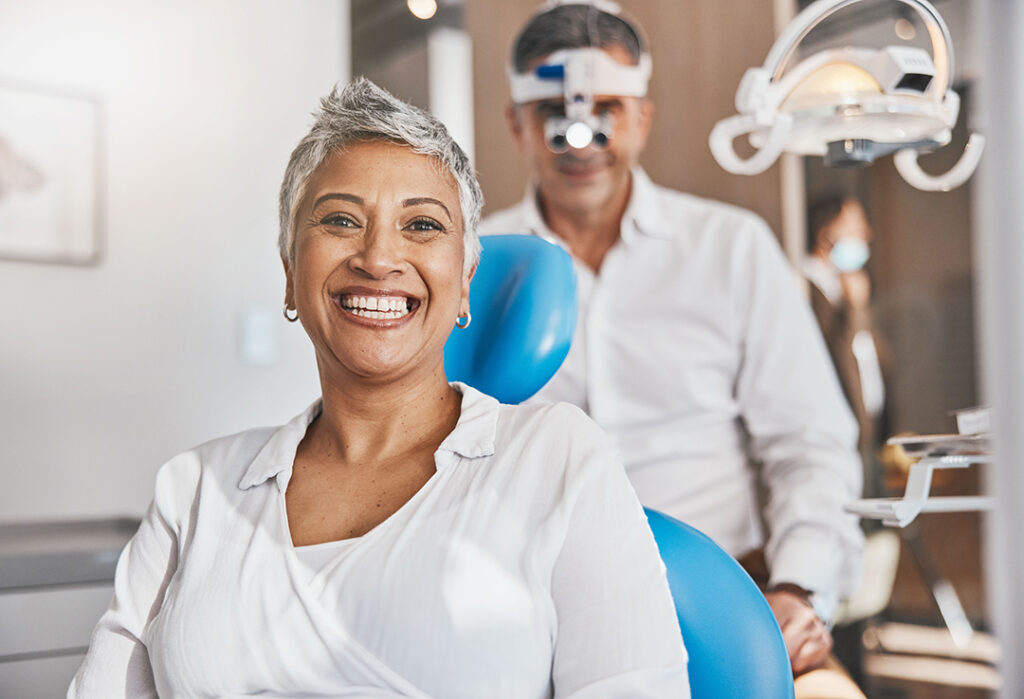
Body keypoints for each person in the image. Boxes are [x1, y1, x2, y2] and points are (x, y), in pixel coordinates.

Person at [68, 78, 689, 698]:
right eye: (341, 219)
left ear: (466, 281)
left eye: (422, 225)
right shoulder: (194, 487)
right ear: (290, 273)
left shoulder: (557, 456)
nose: (378, 257)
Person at [481, 1, 864, 685]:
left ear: (642, 118)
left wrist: (800, 586)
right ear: (516, 123)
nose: (582, 138)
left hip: (736, 598)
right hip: (539, 616)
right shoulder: (475, 268)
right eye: (554, 116)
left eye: (607, 110)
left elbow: (811, 442)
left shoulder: (731, 248)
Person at [804, 195, 888, 476]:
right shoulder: (807, 288)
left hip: (865, 433)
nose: (867, 234)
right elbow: (834, 355)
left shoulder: (848, 284)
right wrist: (853, 308)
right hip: (832, 436)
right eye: (855, 226)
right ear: (826, 233)